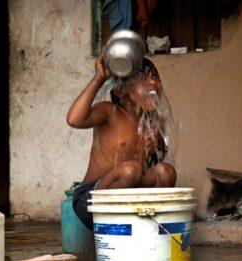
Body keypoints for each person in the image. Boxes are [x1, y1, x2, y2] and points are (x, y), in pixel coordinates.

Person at [67, 54, 177, 230]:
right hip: (91, 199)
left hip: (129, 199)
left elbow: (158, 157)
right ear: (120, 91)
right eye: (143, 78)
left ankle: (147, 227)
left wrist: (156, 142)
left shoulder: (154, 122)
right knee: (130, 170)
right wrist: (98, 79)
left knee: (165, 172)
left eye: (155, 77)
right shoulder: (110, 112)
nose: (153, 83)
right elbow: (74, 119)